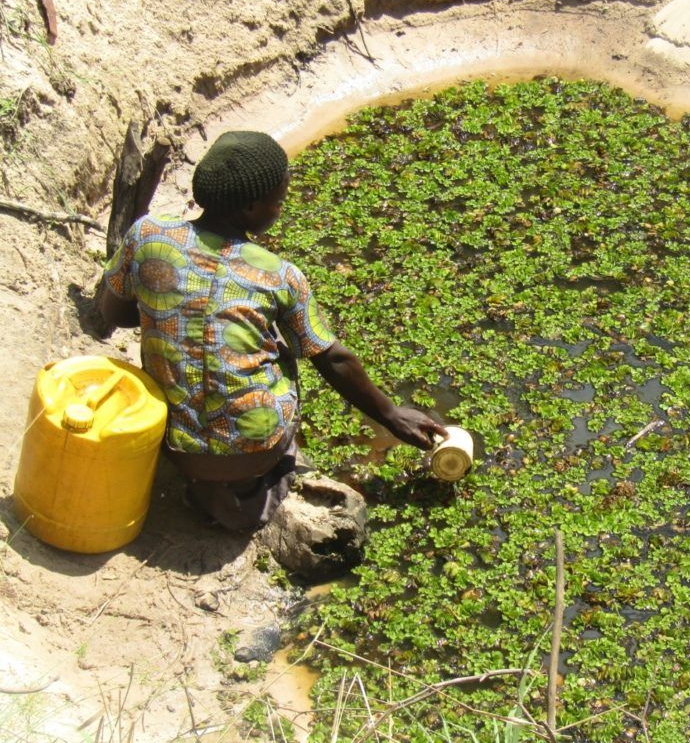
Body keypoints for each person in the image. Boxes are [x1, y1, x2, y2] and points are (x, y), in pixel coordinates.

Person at [100, 130, 446, 531]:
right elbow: (332, 358)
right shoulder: (280, 276)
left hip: (172, 442)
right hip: (252, 455)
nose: (280, 209)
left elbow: (116, 313)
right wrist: (389, 414)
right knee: (285, 347)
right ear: (250, 206)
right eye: (278, 201)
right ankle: (263, 479)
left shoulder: (146, 234)